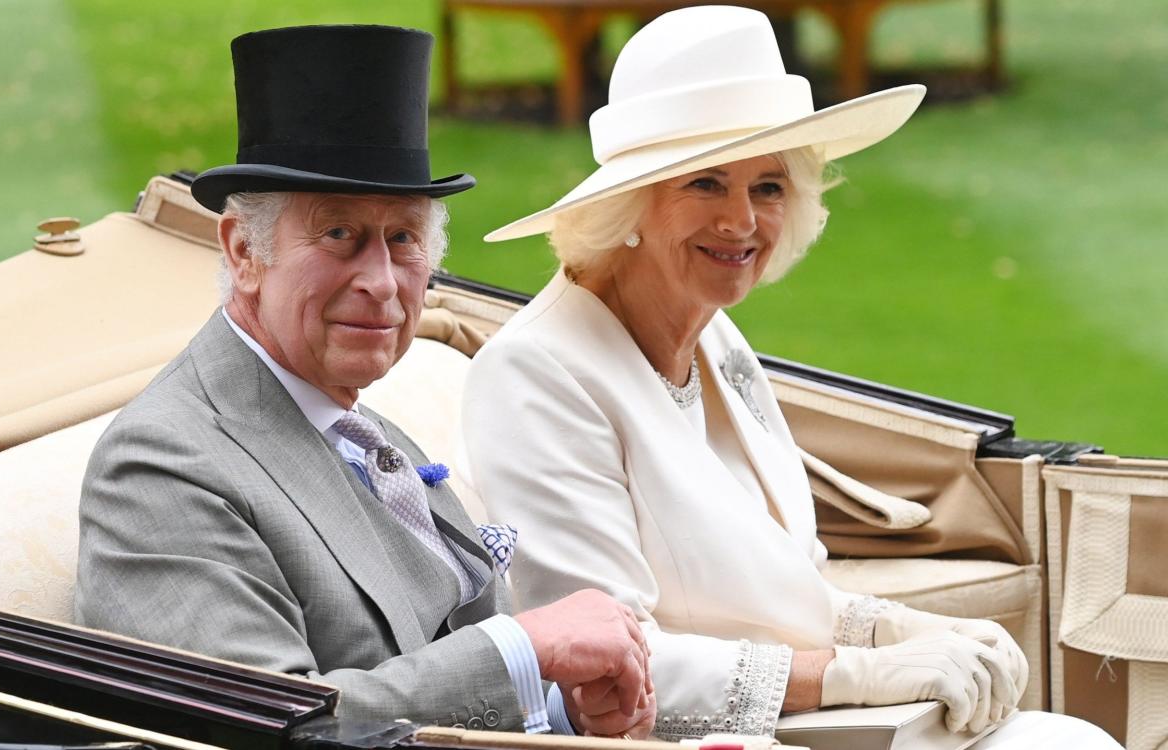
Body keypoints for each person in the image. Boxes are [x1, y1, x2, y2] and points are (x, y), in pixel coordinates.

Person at [461, 6, 1119, 747]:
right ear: (630, 204)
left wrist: (903, 629)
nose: (742, 222)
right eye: (706, 183)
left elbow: (785, 590)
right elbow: (601, 667)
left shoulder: (715, 334)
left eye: (768, 187)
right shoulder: (536, 373)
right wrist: (854, 674)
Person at [74, 24, 655, 737]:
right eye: (339, 235)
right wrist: (523, 652)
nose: (382, 284)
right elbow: (269, 726)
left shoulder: (363, 431)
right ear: (244, 251)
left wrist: (565, 699)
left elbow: (459, 651)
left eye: (403, 239)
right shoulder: (162, 466)